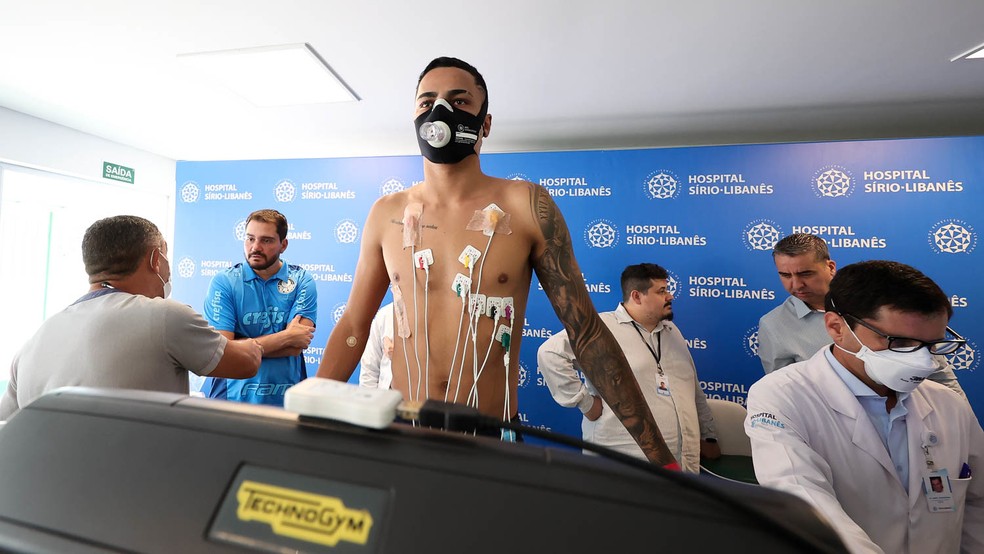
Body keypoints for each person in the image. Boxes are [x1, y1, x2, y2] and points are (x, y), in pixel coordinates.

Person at [316, 56, 676, 466]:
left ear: (485, 124)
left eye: (459, 100)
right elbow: (353, 325)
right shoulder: (388, 212)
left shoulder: (525, 205)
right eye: (426, 101)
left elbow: (587, 332)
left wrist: (661, 458)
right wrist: (308, 415)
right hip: (404, 432)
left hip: (491, 438)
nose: (440, 111)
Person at [745, 260, 983, 553]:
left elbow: (977, 504)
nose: (922, 362)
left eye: (932, 345)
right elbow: (808, 503)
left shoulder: (947, 404)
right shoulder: (782, 397)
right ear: (836, 327)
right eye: (900, 342)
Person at [0, 215, 262, 420]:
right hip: (140, 483)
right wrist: (266, 341)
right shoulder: (165, 316)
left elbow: (7, 423)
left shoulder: (36, 340)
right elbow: (245, 363)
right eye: (165, 255)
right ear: (154, 259)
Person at [537, 263, 719, 473]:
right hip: (623, 463)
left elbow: (692, 388)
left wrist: (708, 435)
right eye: (661, 291)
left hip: (681, 463)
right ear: (637, 296)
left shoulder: (671, 332)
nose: (669, 296)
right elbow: (549, 353)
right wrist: (585, 403)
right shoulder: (600, 329)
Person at [757, 233, 963, 395]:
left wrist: (961, 420)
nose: (796, 284)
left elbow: (938, 373)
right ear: (833, 326)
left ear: (830, 267)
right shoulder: (773, 325)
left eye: (805, 273)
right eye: (785, 275)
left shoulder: (882, 302)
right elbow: (784, 391)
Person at [201, 209, 317, 406]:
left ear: (284, 245)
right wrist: (286, 336)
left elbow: (296, 346)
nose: (255, 247)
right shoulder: (225, 281)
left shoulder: (302, 280)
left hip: (286, 399)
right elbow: (222, 351)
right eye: (250, 239)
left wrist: (240, 345)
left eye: (266, 240)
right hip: (231, 398)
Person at [360, 302, 394, 389]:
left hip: (424, 399)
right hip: (387, 397)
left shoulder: (432, 316)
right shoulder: (385, 314)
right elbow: (369, 369)